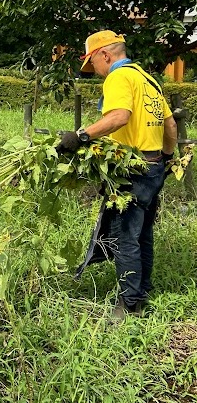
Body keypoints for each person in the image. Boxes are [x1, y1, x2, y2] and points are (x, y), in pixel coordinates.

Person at [57, 30, 177, 320]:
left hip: (132, 170)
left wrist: (81, 135)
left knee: (126, 236)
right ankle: (142, 289)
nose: (95, 72)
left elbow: (118, 117)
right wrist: (168, 158)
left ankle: (130, 304)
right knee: (142, 233)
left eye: (92, 63)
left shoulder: (119, 77)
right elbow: (170, 125)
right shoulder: (147, 79)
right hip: (154, 164)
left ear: (105, 55)